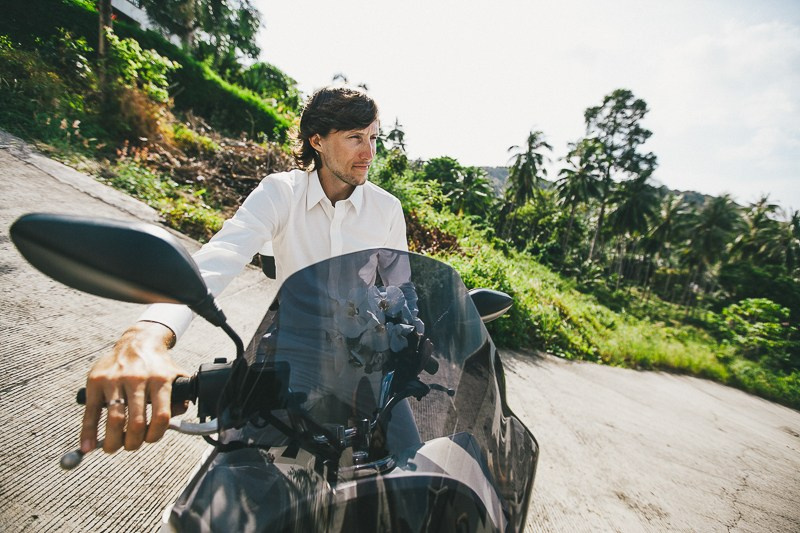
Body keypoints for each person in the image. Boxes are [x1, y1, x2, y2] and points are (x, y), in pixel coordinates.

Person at [80, 86, 409, 455]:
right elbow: (219, 257)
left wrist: (409, 335)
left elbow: (400, 294)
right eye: (355, 138)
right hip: (291, 351)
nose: (369, 153)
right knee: (241, 467)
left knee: (412, 466)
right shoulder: (281, 192)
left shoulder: (387, 210)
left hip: (362, 361)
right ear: (317, 140)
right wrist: (146, 334)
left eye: (373, 138)